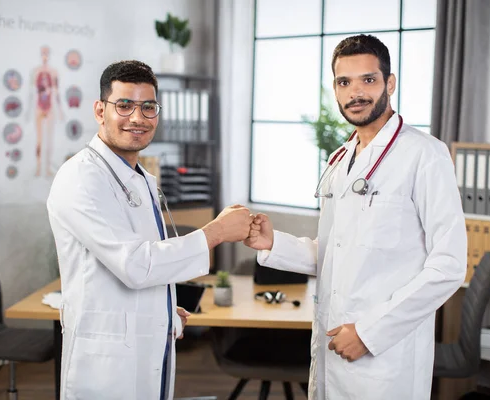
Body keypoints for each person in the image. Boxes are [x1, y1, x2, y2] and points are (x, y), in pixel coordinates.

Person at [245, 34, 466, 400]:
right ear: (334, 88)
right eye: (344, 82)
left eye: (368, 80)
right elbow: (338, 251)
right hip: (334, 343)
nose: (355, 93)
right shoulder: (341, 158)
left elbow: (448, 266)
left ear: (389, 83)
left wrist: (369, 332)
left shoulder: (425, 155)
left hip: (385, 356)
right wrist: (273, 244)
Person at [47, 60, 252, 400]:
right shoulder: (81, 178)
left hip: (143, 347)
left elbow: (144, 266)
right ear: (100, 111)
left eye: (148, 107)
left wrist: (163, 307)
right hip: (106, 363)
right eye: (124, 105)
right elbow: (135, 264)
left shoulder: (138, 176)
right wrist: (215, 232)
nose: (138, 118)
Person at [27, 46, 64, 177]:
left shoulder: (53, 72)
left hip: (49, 107)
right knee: (39, 140)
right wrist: (27, 111)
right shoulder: (35, 71)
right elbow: (31, 93)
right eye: (43, 53)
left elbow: (57, 92)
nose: (44, 56)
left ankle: (47, 168)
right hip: (38, 107)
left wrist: (60, 111)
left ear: (49, 55)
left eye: (46, 53)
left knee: (49, 140)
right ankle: (38, 167)